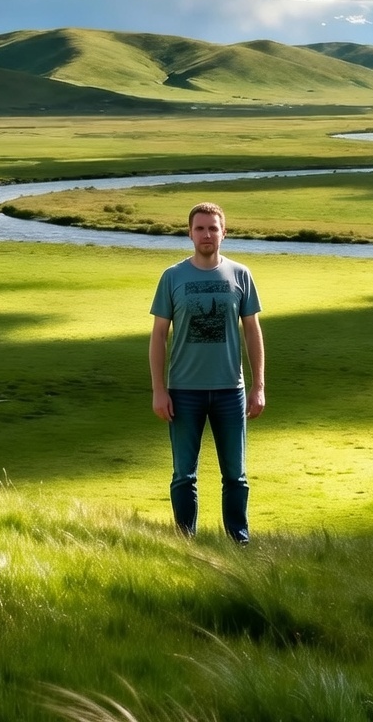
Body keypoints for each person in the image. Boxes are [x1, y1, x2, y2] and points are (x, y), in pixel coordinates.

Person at [149, 201, 265, 543]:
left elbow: (253, 332)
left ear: (224, 233)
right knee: (184, 474)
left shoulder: (240, 274)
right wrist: (159, 389)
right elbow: (158, 336)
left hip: (231, 389)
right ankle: (186, 542)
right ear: (189, 233)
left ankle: (239, 543)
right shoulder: (172, 277)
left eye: (213, 228)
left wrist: (258, 386)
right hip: (184, 391)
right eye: (200, 228)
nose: (206, 234)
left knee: (236, 475)